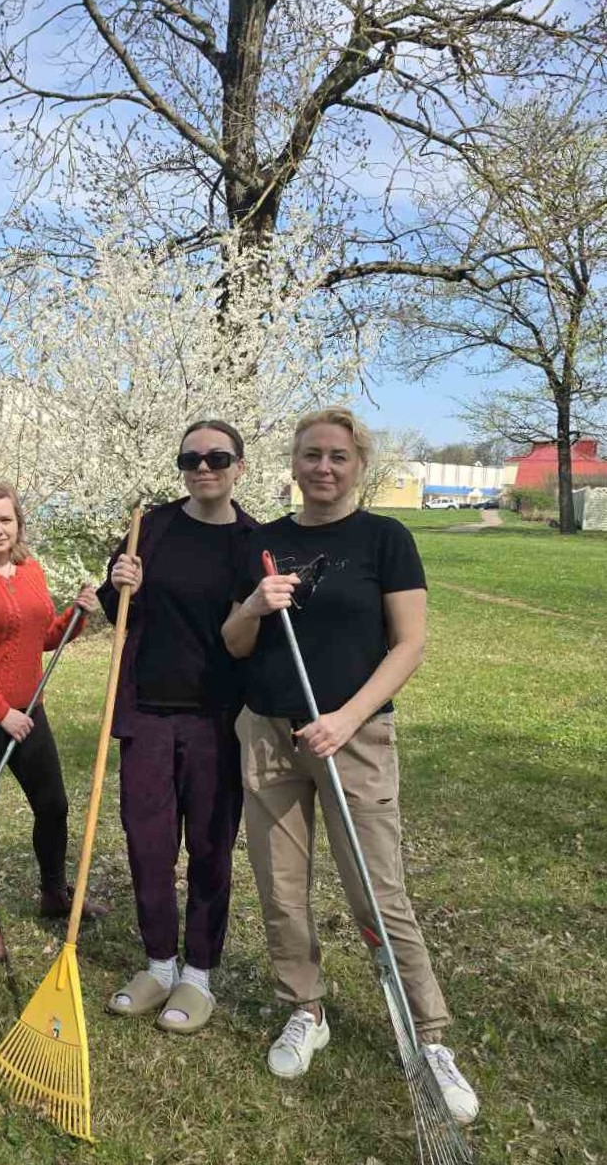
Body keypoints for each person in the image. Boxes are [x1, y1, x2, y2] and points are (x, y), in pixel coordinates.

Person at [222, 407, 479, 1124]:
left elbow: (408, 645)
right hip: (270, 732)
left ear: (358, 464)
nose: (322, 468)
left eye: (336, 456)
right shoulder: (264, 543)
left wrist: (346, 717)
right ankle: (304, 1007)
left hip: (352, 737)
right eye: (310, 455)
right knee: (280, 886)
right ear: (294, 462)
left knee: (377, 891)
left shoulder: (384, 539)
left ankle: (426, 1034)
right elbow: (235, 643)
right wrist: (252, 603)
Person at [97, 421, 257, 1034]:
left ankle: (199, 975)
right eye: (191, 458)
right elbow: (116, 613)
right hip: (148, 714)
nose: (203, 467)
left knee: (212, 849)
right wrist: (118, 586)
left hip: (219, 720)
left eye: (217, 457)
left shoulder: (251, 541)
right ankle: (160, 965)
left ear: (239, 466)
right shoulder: (150, 529)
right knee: (148, 844)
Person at [0, 483, 102, 961]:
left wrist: (75, 615)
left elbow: (40, 636)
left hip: (28, 714)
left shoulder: (30, 570)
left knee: (53, 805)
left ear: (18, 524)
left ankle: (54, 892)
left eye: (5, 520)